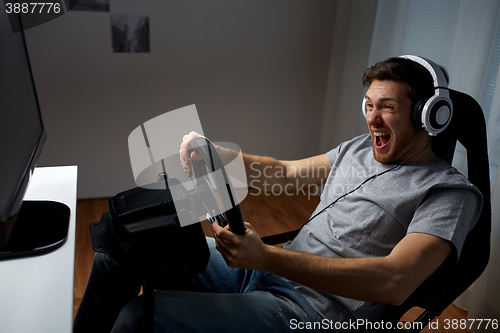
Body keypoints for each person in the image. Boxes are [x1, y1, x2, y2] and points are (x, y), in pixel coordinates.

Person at [74, 56, 482, 332]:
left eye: (387, 107)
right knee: (121, 254)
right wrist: (218, 155)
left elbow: (395, 282)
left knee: (137, 319)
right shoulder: (359, 148)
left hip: (314, 312)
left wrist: (269, 257)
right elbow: (284, 174)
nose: (372, 118)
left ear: (428, 115)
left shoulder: (449, 194)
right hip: (269, 269)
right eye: (369, 104)